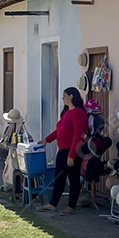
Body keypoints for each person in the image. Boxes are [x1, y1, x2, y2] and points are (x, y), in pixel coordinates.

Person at [37, 87, 88, 215]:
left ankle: (71, 206)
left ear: (71, 96)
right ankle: (52, 204)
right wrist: (46, 140)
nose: (63, 98)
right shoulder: (67, 113)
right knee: (58, 178)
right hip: (62, 150)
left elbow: (78, 135)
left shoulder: (78, 113)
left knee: (73, 178)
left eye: (64, 95)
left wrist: (72, 155)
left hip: (72, 150)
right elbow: (59, 130)